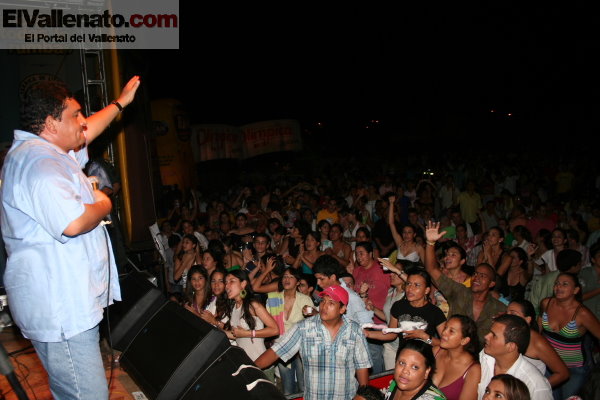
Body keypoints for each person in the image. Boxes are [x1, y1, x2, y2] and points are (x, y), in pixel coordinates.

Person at [0, 75, 140, 399]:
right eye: (74, 115)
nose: (81, 122)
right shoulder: (39, 163)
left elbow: (88, 129)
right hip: (61, 311)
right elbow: (73, 223)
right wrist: (103, 201)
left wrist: (121, 103)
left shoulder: (48, 152)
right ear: (51, 123)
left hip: (64, 307)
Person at [255, 285, 372, 400]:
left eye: (331, 303)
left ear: (342, 309)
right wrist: (248, 369)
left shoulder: (354, 330)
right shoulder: (304, 328)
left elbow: (362, 367)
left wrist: (363, 397)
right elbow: (276, 351)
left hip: (346, 396)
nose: (324, 306)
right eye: (323, 301)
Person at [425, 222, 506, 345]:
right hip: (452, 352)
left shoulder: (498, 308)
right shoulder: (459, 291)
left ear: (491, 284)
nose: (476, 278)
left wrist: (508, 317)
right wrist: (430, 243)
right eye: (475, 274)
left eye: (482, 276)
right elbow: (432, 269)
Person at [538, 272, 600, 399]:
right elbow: (538, 330)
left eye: (565, 284)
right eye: (557, 283)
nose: (558, 287)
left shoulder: (582, 313)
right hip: (550, 365)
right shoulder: (546, 303)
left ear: (575, 290)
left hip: (574, 369)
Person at [478, 314, 552, 400]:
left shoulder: (535, 384)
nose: (486, 336)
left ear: (511, 347)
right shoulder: (485, 356)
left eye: (494, 335)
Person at [265, 267, 314, 395]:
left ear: (297, 282)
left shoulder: (305, 300)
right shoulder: (273, 299)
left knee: (304, 387)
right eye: (285, 276)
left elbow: (313, 324)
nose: (287, 279)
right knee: (287, 389)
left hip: (301, 349)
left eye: (291, 277)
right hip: (281, 347)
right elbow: (268, 324)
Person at [505, 299, 569, 388]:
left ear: (527, 319)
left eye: (513, 314)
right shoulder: (506, 334)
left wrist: (535, 390)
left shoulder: (537, 342)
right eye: (506, 313)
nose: (507, 317)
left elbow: (563, 373)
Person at [431, 315, 481, 400]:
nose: (443, 333)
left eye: (451, 331)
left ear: (464, 340)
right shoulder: (436, 352)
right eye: (445, 328)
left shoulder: (473, 370)